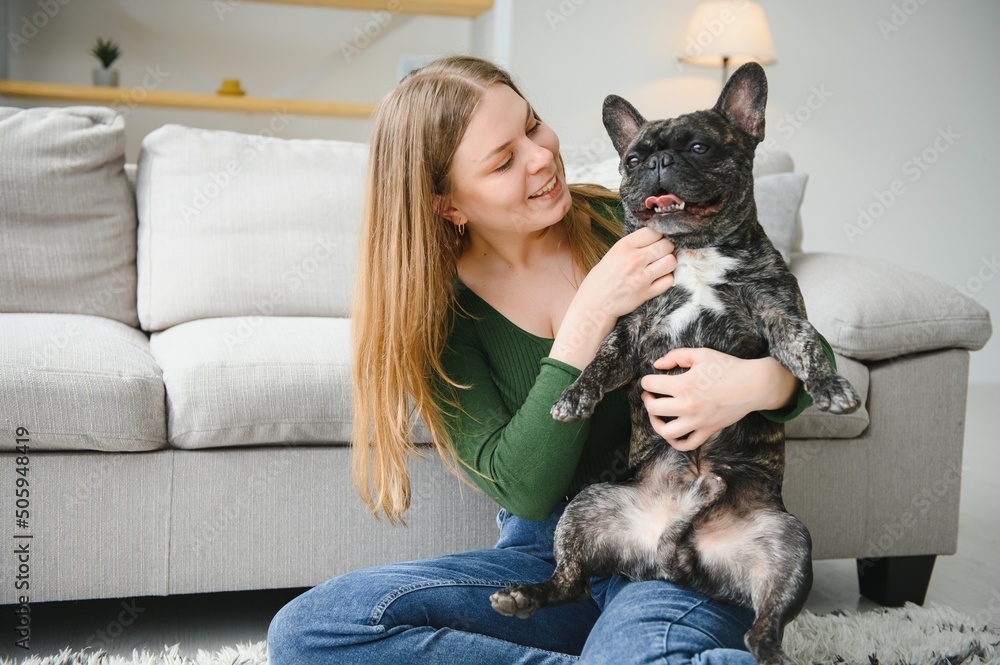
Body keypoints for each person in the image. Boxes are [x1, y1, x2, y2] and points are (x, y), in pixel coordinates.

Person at [268, 55, 820, 664]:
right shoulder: (440, 320)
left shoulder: (638, 216)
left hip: (692, 537)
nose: (540, 157)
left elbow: (799, 338)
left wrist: (762, 382)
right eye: (503, 160)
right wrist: (588, 315)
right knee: (314, 629)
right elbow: (528, 490)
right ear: (446, 204)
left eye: (533, 126)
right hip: (550, 558)